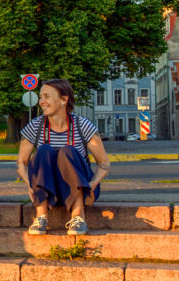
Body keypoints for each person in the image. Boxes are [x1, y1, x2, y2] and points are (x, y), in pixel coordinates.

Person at [17, 79, 110, 235]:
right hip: (48, 189)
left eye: (46, 96)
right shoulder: (35, 126)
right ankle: (41, 216)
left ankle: (78, 216)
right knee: (44, 150)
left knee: (67, 151)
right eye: (40, 97)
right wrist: (30, 185)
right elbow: (21, 163)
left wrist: (92, 185)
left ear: (64, 100)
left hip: (81, 188)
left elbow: (104, 164)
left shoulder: (82, 125)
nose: (41, 102)